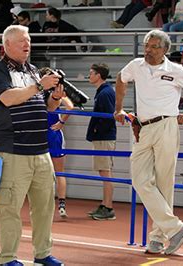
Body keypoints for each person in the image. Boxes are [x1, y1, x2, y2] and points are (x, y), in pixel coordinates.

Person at [114, 29, 183, 255]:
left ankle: (157, 238)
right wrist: (118, 108)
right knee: (139, 179)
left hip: (167, 125)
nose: (148, 50)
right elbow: (120, 78)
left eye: (154, 46)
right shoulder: (136, 65)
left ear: (165, 49)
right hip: (143, 128)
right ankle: (176, 229)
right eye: (147, 45)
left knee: (164, 182)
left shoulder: (175, 69)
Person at [0, 25, 64, 266]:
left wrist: (56, 97)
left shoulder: (32, 70)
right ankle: (7, 258)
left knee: (44, 208)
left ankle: (43, 253)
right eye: (21, 41)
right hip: (12, 150)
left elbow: (46, 107)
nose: (26, 44)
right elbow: (9, 99)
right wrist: (40, 86)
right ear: (7, 45)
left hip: (41, 151)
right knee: (10, 208)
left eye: (28, 40)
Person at [39, 67, 74, 219]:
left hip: (49, 132)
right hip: (48, 133)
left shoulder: (55, 92)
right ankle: (59, 205)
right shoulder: (40, 91)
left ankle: (58, 205)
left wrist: (61, 122)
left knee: (55, 171)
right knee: (54, 171)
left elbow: (70, 107)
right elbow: (70, 107)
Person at [85, 63, 117, 221]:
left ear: (99, 75)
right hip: (102, 137)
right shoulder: (103, 92)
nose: (89, 76)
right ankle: (105, 204)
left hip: (104, 137)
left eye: (91, 73)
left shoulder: (105, 93)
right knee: (104, 171)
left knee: (105, 172)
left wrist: (97, 130)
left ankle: (109, 207)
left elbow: (108, 116)